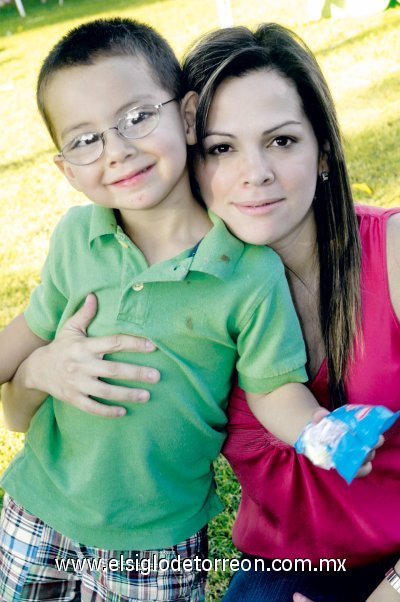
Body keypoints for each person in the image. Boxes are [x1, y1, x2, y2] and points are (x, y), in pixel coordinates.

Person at [0, 17, 348, 602]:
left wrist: (323, 432)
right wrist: (43, 369)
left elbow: (272, 390)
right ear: (65, 169)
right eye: (86, 140)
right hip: (39, 506)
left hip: (158, 539)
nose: (118, 151)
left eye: (137, 117)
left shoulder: (249, 271)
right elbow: (29, 332)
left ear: (187, 117)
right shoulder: (75, 236)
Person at [180, 23, 400, 601]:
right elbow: (24, 413)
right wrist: (44, 370)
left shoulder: (393, 255)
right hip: (285, 567)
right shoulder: (183, 293)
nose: (256, 173)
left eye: (281, 140)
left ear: (323, 149)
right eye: (221, 148)